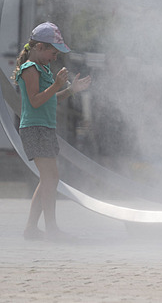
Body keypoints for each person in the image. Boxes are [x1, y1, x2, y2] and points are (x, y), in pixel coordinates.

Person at [13, 22, 91, 241]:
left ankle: (31, 228)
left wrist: (70, 90)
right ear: (39, 47)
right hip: (34, 128)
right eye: (53, 52)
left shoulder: (44, 69)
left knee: (47, 179)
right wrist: (56, 85)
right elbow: (36, 101)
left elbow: (50, 100)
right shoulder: (30, 68)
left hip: (45, 128)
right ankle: (52, 228)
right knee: (51, 177)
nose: (54, 57)